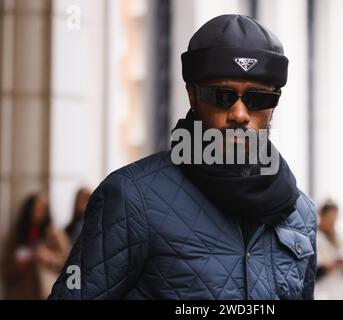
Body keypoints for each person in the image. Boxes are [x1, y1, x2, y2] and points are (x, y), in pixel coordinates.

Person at [48, 14, 317, 300]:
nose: (239, 114)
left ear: (274, 103)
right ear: (192, 95)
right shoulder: (131, 197)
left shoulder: (301, 214)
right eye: (221, 96)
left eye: (258, 98)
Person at [2, 193, 68, 299]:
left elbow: (67, 262)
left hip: (47, 290)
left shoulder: (54, 234)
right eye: (35, 208)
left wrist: (47, 256)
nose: (38, 213)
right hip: (21, 293)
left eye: (42, 209)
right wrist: (18, 263)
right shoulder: (17, 234)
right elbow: (6, 267)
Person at [315, 201, 343, 300]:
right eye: (329, 218)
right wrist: (324, 266)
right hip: (321, 287)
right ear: (321, 215)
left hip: (341, 286)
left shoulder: (340, 236)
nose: (332, 222)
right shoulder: (314, 237)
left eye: (334, 218)